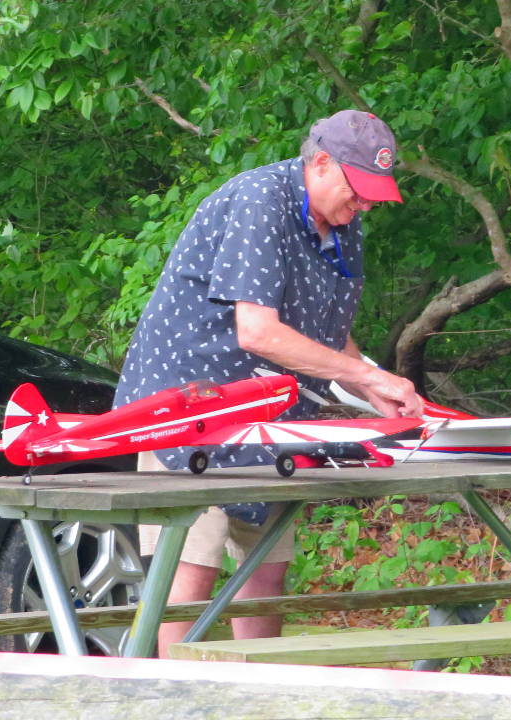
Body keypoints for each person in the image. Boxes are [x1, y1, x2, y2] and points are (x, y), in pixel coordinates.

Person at [114, 109, 423, 657]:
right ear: (321, 162)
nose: (367, 203)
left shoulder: (344, 224)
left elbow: (330, 337)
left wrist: (369, 388)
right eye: (360, 189)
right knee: (189, 577)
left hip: (273, 421)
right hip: (191, 412)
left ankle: (259, 698)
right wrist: (365, 374)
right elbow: (258, 331)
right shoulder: (261, 201)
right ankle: (169, 700)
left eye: (376, 193)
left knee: (266, 574)